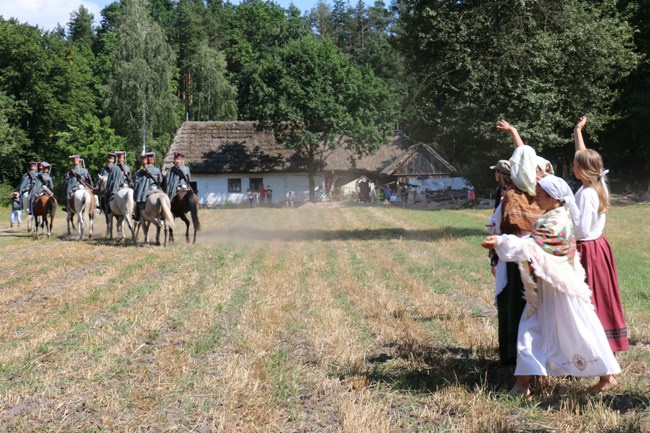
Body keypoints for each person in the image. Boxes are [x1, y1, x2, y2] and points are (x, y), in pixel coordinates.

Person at [481, 175, 620, 397]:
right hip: (545, 288)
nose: (536, 197)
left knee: (581, 331)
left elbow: (533, 247)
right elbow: (533, 245)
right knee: (529, 330)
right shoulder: (550, 217)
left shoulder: (557, 221)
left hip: (562, 289)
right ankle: (522, 385)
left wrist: (502, 242)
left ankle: (607, 376)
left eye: (540, 194)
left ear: (554, 198)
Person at [573, 116, 629, 392]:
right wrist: (577, 132)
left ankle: (606, 372)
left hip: (587, 251)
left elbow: (580, 229)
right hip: (600, 248)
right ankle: (607, 364)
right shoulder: (599, 184)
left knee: (590, 307)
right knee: (601, 303)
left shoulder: (585, 195)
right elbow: (583, 157)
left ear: (582, 170)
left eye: (574, 165)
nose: (572, 166)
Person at [494, 120, 545, 368]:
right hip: (544, 259)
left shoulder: (512, 196)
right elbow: (526, 158)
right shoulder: (544, 191)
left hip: (518, 261)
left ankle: (517, 359)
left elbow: (506, 230)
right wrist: (515, 133)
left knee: (518, 308)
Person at [133, 152, 163, 222]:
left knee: (138, 201)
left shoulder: (142, 171)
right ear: (153, 160)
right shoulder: (157, 170)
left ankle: (137, 215)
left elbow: (137, 183)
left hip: (148, 190)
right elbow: (160, 180)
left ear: (147, 160)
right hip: (156, 189)